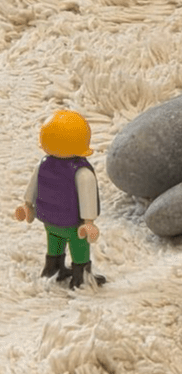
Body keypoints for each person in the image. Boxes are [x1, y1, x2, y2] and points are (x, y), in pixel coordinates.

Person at [15, 110, 106, 289]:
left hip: (49, 221)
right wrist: (89, 222)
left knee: (54, 245)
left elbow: (33, 187)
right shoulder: (82, 172)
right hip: (73, 226)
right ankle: (80, 277)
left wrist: (27, 204)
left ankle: (53, 268)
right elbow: (87, 197)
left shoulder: (43, 165)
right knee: (79, 248)